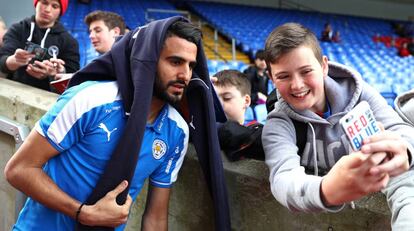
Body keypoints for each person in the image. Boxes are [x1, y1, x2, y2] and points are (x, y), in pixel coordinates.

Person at [5, 17, 231, 230]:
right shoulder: (90, 99)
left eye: (191, 66)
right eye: (175, 62)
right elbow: (19, 169)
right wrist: (82, 212)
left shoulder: (177, 131)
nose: (185, 75)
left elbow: (155, 217)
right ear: (148, 60)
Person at [262, 22, 414, 230]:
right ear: (271, 78)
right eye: (283, 76)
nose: (297, 85)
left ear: (324, 66)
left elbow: (400, 129)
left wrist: (404, 150)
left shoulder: (357, 92)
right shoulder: (278, 123)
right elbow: (283, 180)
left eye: (306, 71)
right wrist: (327, 189)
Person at [0, 0, 80, 91]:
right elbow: (2, 60)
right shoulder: (17, 29)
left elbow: (72, 78)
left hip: (48, 99)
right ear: (36, 3)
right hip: (13, 92)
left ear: (60, 12)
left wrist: (58, 72)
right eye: (44, 3)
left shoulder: (69, 42)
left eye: (54, 6)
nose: (47, 9)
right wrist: (13, 60)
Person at [213, 69, 264, 161]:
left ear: (246, 101)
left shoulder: (258, 133)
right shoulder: (200, 128)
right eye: (213, 99)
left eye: (227, 98)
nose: (218, 104)